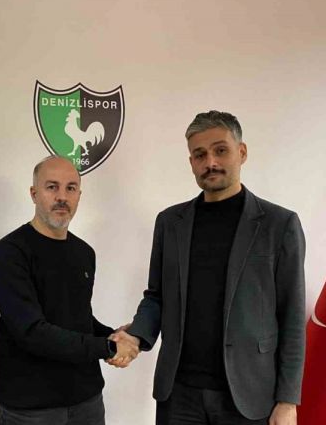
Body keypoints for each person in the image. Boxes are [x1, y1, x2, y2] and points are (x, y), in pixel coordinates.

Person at [112, 111, 306, 425]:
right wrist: (136, 336)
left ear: (242, 152)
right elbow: (157, 296)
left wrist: (288, 401)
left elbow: (292, 316)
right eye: (200, 155)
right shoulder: (170, 223)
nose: (210, 162)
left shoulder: (279, 224)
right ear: (191, 162)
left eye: (221, 150)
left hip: (249, 396)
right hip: (179, 394)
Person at [0, 156, 139, 425]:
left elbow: (78, 319)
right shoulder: (9, 253)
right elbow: (32, 332)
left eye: (70, 188)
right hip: (31, 409)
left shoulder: (84, 253)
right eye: (52, 187)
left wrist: (115, 335)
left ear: (79, 195)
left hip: (88, 402)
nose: (62, 197)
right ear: (34, 194)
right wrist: (107, 347)